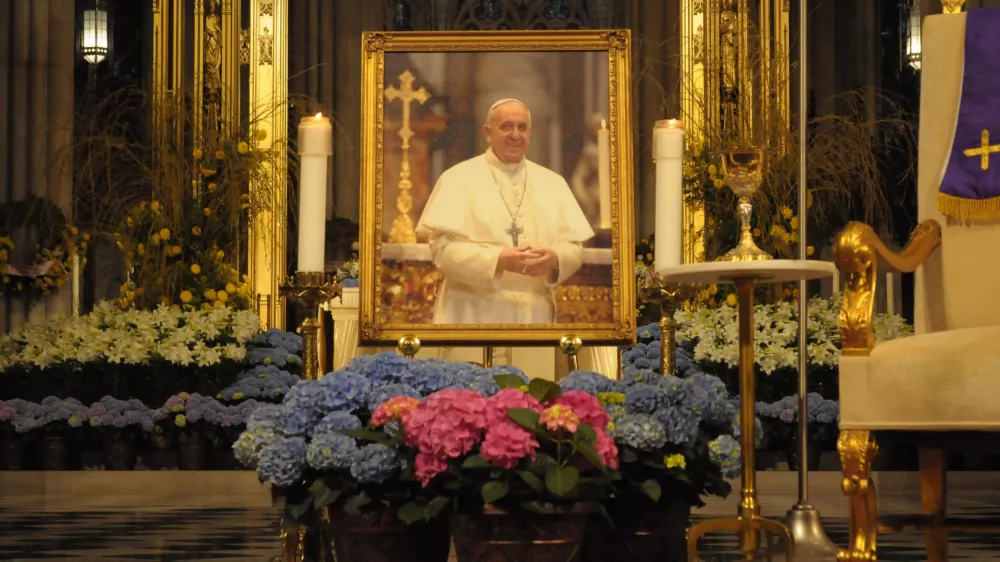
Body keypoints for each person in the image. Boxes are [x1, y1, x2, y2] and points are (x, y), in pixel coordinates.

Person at [415, 98, 595, 324]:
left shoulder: (553, 182)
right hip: (471, 311)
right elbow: (442, 251)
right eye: (506, 126)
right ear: (488, 132)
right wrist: (497, 259)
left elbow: (574, 247)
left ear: (530, 132)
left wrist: (555, 259)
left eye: (522, 127)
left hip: (535, 313)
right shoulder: (457, 179)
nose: (515, 134)